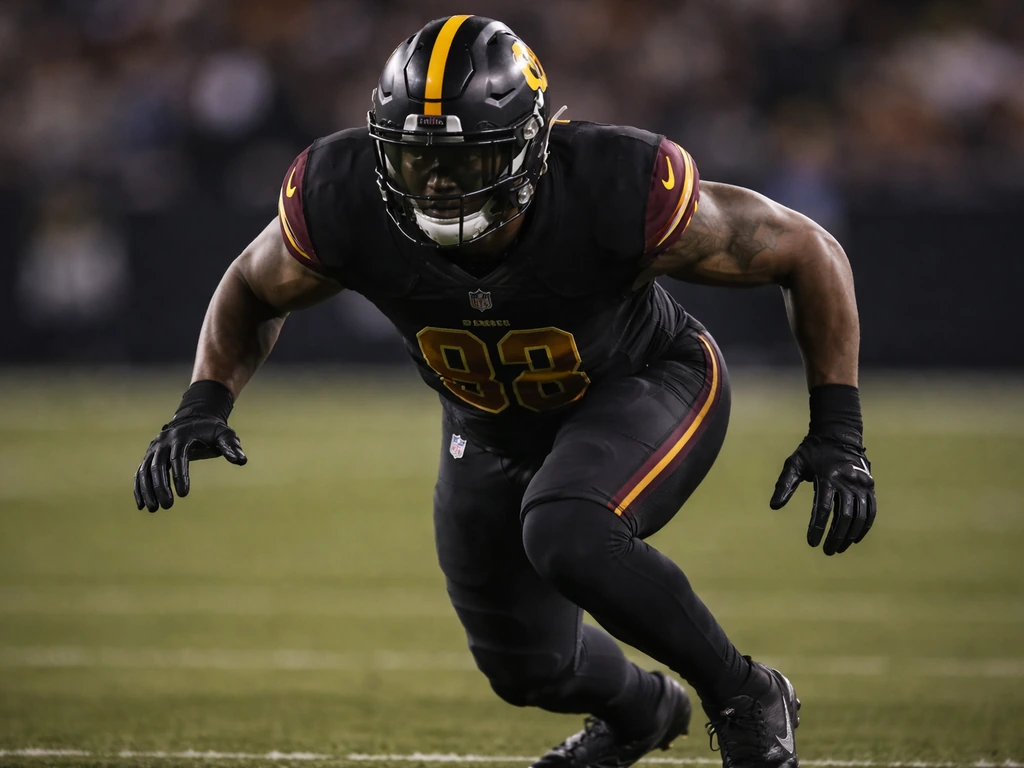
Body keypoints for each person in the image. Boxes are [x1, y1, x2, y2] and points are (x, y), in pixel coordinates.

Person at [133, 15, 877, 768]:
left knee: (567, 528)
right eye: (417, 159)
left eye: (465, 158)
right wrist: (205, 400)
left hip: (646, 381)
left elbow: (805, 248)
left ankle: (745, 692)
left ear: (533, 142)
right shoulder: (339, 191)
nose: (439, 183)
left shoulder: (614, 184)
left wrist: (838, 429)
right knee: (526, 669)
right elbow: (252, 286)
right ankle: (641, 713)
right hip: (487, 428)